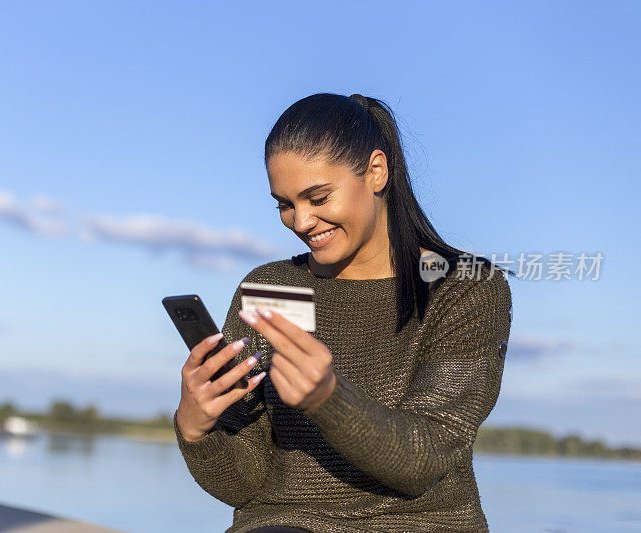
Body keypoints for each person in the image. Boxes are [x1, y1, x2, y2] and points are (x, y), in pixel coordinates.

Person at [172, 93, 516, 533]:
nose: (300, 221)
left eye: (317, 197)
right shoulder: (272, 288)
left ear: (376, 171)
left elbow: (424, 457)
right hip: (286, 524)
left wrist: (327, 398)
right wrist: (196, 427)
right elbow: (245, 486)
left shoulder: (466, 287)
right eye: (284, 203)